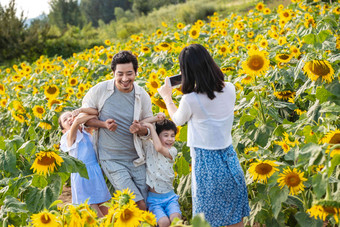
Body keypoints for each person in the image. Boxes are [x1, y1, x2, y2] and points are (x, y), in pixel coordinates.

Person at [158, 44, 250, 227]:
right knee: (235, 219)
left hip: (207, 167)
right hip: (231, 161)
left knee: (207, 222)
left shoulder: (190, 100)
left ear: (187, 72)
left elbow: (177, 120)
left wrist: (167, 97)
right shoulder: (230, 88)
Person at [81, 50, 153, 210]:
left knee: (147, 204)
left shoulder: (142, 95)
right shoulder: (99, 91)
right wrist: (103, 124)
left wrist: (140, 129)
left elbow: (149, 129)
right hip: (111, 159)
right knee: (137, 203)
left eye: (129, 73)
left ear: (136, 72)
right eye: (120, 74)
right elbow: (84, 119)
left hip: (137, 158)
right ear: (113, 72)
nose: (125, 79)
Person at [59, 107, 111, 217]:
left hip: (95, 174)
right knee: (96, 214)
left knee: (107, 212)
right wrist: (79, 117)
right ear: (64, 130)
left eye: (70, 116)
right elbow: (78, 121)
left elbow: (96, 113)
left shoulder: (86, 132)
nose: (69, 119)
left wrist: (84, 115)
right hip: (82, 177)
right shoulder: (68, 137)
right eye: (65, 120)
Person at [140, 113, 182, 227]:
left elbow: (159, 147)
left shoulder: (172, 151)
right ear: (157, 135)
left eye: (172, 136)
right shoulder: (149, 146)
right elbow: (141, 124)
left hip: (170, 196)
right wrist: (155, 119)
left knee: (176, 219)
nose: (170, 139)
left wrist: (151, 127)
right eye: (166, 135)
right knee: (164, 223)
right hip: (154, 200)